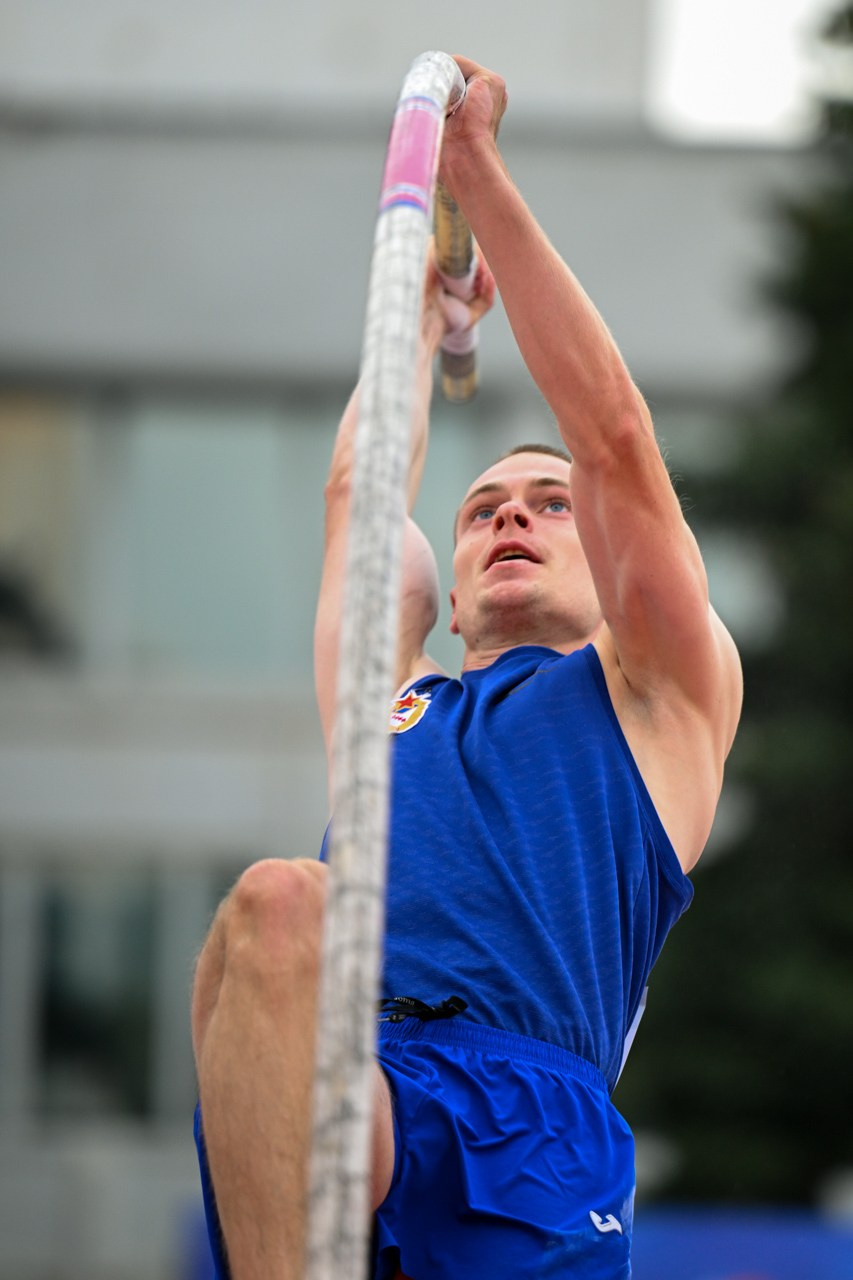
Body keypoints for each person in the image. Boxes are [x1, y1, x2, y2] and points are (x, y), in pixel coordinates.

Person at [191, 54, 743, 1280]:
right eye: (483, 508)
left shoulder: (658, 692)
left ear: (605, 560)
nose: (510, 518)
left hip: (527, 1118)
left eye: (547, 504)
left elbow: (613, 439)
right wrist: (424, 317)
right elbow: (360, 486)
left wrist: (475, 173)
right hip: (364, 1090)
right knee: (271, 912)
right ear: (451, 586)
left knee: (282, 908)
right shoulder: (391, 705)